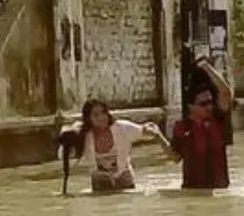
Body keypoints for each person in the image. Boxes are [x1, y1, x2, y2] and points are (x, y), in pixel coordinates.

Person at [58, 99, 171, 193]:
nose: (102, 117)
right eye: (96, 115)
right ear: (88, 118)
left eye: (104, 113)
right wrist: (68, 138)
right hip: (99, 180)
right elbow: (62, 156)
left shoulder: (122, 128)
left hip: (123, 177)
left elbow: (147, 131)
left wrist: (158, 136)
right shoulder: (83, 136)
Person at [170, 58, 234, 189]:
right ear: (191, 107)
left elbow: (225, 92)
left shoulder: (218, 119)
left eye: (210, 102)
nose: (209, 106)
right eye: (203, 104)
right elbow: (175, 157)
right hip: (191, 191)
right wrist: (157, 136)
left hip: (219, 191)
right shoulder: (181, 127)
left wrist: (206, 66)